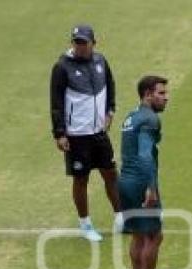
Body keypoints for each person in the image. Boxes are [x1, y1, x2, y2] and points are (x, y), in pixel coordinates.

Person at [50, 23, 122, 242]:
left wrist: (110, 110)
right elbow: (56, 102)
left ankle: (121, 217)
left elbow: (110, 84)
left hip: (99, 132)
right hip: (76, 135)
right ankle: (86, 224)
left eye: (84, 43)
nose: (80, 46)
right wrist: (60, 133)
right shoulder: (62, 67)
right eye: (76, 42)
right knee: (81, 179)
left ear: (93, 43)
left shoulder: (101, 61)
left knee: (110, 173)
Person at [117, 76, 169, 269]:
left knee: (138, 235)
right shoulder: (150, 119)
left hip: (124, 181)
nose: (166, 98)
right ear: (148, 94)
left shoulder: (131, 116)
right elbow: (145, 155)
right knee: (154, 236)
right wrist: (151, 187)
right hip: (140, 181)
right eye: (161, 93)